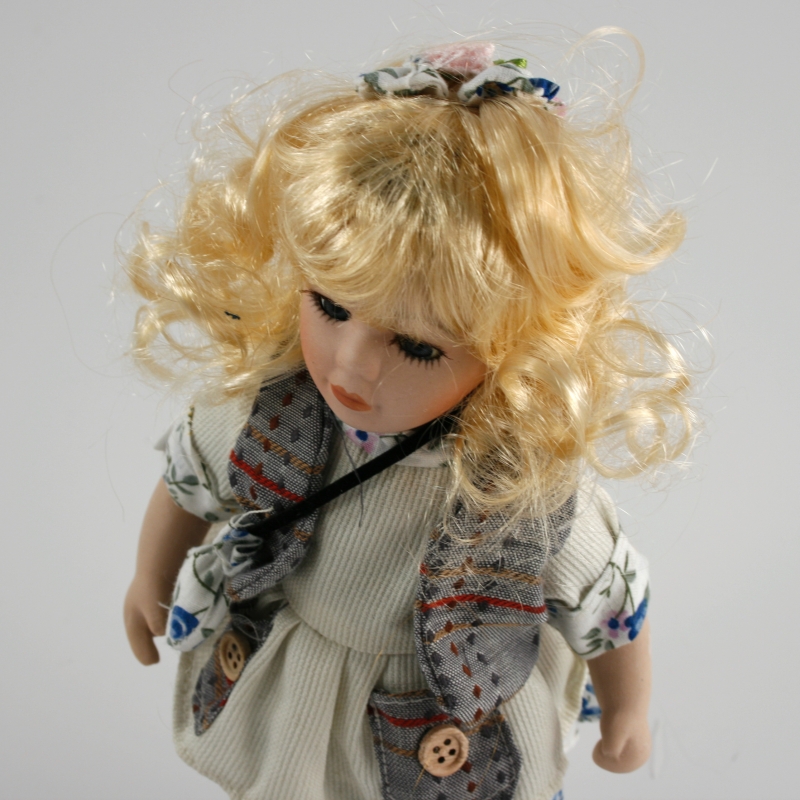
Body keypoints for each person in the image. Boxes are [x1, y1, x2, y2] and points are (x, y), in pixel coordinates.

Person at [122, 40, 691, 800]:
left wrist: (628, 712)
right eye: (330, 306)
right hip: (298, 687)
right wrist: (150, 578)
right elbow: (187, 484)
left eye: (418, 346)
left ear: (516, 350)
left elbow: (610, 604)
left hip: (441, 726)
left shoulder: (522, 491)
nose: (350, 367)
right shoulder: (271, 411)